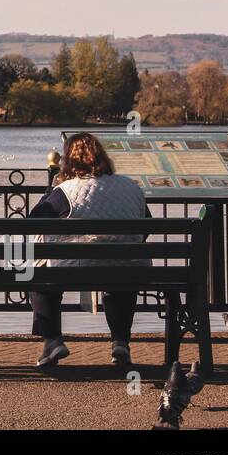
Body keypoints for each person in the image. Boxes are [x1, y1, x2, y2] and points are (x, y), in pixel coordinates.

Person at [28, 132, 149, 368]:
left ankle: (53, 341)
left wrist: (50, 190)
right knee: (121, 276)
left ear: (68, 161)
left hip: (77, 268)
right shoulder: (131, 187)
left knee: (39, 274)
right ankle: (120, 343)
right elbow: (145, 228)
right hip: (132, 268)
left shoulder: (66, 191)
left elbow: (34, 222)